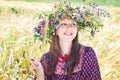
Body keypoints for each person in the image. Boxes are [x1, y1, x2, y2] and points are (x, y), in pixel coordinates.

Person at [30, 2, 108, 80]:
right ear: (55, 30)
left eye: (74, 24)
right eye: (64, 24)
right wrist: (40, 74)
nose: (69, 28)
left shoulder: (87, 54)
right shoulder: (46, 59)